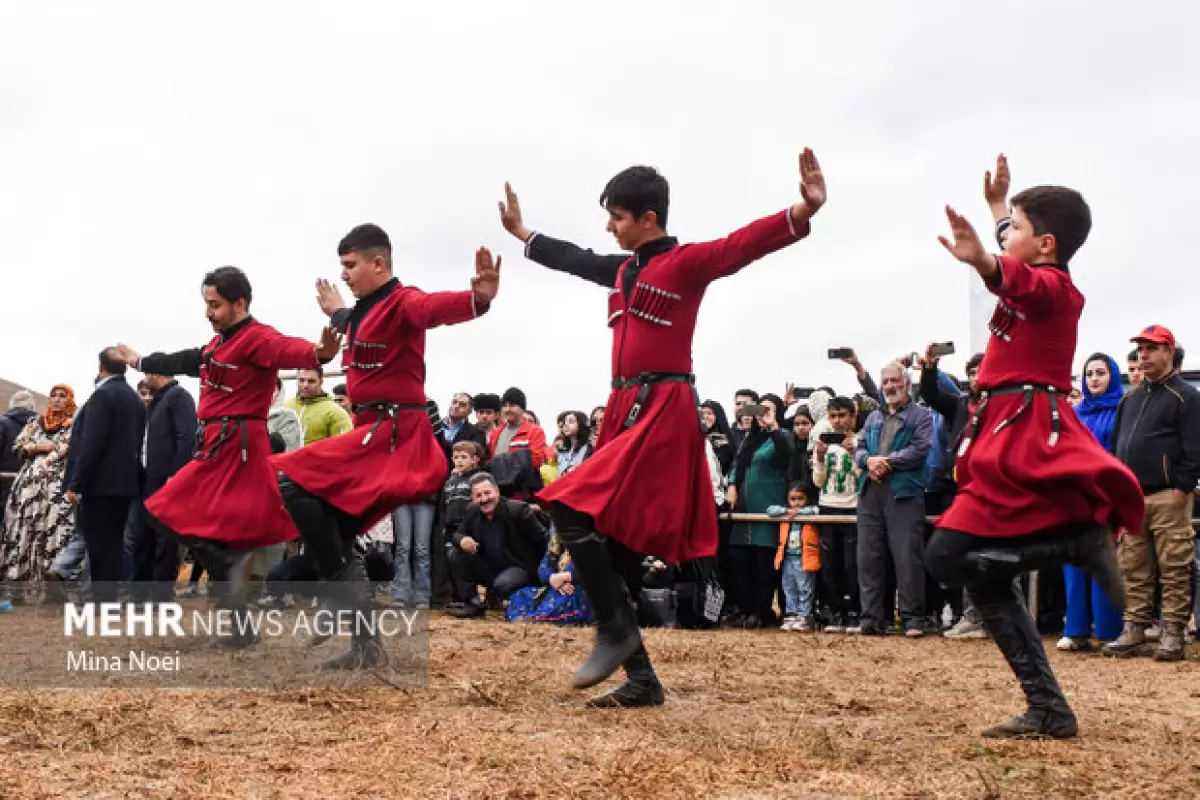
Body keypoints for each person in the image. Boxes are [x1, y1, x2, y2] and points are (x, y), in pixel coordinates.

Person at [499, 148, 825, 706]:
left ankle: (615, 635)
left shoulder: (687, 262)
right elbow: (577, 258)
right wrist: (524, 234)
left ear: (648, 217)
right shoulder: (624, 269)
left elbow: (739, 246)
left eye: (617, 217)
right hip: (624, 412)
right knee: (618, 549)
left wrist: (802, 211)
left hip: (665, 406)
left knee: (572, 506)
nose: (609, 227)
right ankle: (643, 680)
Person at [925, 154, 1143, 739]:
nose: (1005, 233)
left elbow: (1014, 276)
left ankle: (1075, 543)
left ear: (1044, 244)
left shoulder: (1054, 290)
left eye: (1016, 227)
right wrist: (1000, 206)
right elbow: (1011, 254)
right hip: (999, 427)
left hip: (1024, 431)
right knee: (977, 574)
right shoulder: (1036, 267)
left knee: (947, 557)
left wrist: (986, 263)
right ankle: (1048, 706)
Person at [271, 224, 498, 668]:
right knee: (329, 520)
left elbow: (433, 308)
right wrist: (337, 314)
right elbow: (353, 322)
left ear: (379, 263)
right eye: (343, 267)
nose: (346, 275)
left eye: (351, 266)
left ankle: (340, 584)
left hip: (397, 436)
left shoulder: (402, 301)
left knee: (293, 480)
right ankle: (364, 642)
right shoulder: (362, 312)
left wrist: (478, 299)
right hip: (372, 433)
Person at [114, 266, 340, 636]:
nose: (208, 313)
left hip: (239, 442)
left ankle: (231, 580)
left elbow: (288, 348)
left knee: (173, 513)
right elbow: (182, 360)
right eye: (207, 304)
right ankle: (237, 616)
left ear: (239, 303)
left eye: (215, 305)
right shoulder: (217, 346)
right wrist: (141, 361)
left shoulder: (256, 338)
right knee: (178, 517)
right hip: (216, 442)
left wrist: (320, 353)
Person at [1105, 326, 1200, 661]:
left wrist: (1183, 487)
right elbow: (1117, 445)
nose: (1143, 354)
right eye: (1140, 348)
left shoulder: (1187, 396)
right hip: (1133, 497)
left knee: (1174, 566)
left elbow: (1195, 447)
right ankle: (1134, 627)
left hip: (1168, 496)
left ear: (1168, 352)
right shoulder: (1130, 397)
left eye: (1151, 348)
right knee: (1133, 566)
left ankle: (1172, 632)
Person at [853, 363, 933, 637]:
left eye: (894, 381)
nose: (889, 386)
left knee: (907, 557)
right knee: (868, 558)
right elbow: (859, 449)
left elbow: (921, 449)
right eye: (885, 381)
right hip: (870, 492)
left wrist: (887, 462)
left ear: (906, 383)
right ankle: (872, 619)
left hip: (904, 492)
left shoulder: (921, 415)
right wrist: (868, 461)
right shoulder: (872, 417)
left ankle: (913, 619)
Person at [63, 350, 145, 599]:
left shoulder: (103, 395)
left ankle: (96, 600)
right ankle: (107, 598)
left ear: (101, 367)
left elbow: (91, 444)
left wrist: (76, 482)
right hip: (125, 483)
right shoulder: (134, 398)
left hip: (100, 484)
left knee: (97, 544)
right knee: (114, 544)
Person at [1057, 353, 1125, 651]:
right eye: (1089, 374)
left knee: (1104, 562)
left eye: (1100, 373)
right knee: (1073, 564)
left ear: (1112, 375)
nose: (1094, 379)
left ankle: (1109, 631)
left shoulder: (1122, 410)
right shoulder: (1074, 413)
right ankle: (1076, 630)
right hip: (1074, 498)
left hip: (1106, 497)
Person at [1, 385, 77, 599]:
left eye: (62, 396)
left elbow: (65, 447)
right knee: (25, 528)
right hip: (28, 485)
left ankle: (51, 584)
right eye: (54, 395)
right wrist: (39, 447)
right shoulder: (36, 422)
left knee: (53, 530)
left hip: (57, 484)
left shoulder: (73, 424)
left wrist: (41, 448)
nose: (57, 399)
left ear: (69, 399)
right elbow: (18, 446)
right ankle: (20, 582)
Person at [726, 395, 793, 628]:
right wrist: (732, 485)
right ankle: (745, 610)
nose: (762, 414)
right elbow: (737, 464)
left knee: (764, 563)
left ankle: (761, 611)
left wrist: (773, 426)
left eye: (768, 409)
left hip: (767, 508)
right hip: (743, 511)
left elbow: (787, 456)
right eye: (759, 410)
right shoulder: (749, 440)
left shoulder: (783, 436)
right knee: (739, 560)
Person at [132, 373, 197, 601]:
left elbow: (187, 437)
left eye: (148, 372)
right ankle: (140, 595)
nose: (145, 377)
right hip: (148, 479)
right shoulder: (157, 402)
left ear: (158, 373)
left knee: (165, 539)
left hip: (168, 480)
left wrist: (176, 475)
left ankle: (160, 596)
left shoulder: (179, 397)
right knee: (144, 537)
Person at [446, 473, 546, 617]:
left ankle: (512, 598)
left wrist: (546, 575)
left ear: (497, 491)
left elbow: (543, 541)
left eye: (487, 493)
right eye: (478, 495)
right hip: (489, 568)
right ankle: (473, 603)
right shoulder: (472, 511)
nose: (484, 499)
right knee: (455, 554)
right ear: (473, 498)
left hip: (520, 567)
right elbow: (456, 534)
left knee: (502, 585)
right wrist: (462, 540)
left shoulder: (518, 511)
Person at [812, 396, 861, 632]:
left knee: (852, 565)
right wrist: (820, 458)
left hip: (853, 507)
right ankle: (835, 612)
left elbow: (864, 477)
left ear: (853, 417)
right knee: (830, 565)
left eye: (842, 415)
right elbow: (818, 481)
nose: (837, 421)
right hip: (827, 506)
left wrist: (855, 454)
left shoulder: (862, 441)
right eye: (833, 416)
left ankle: (854, 612)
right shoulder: (822, 442)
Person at [505, 531, 593, 625]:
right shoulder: (558, 538)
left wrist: (568, 576)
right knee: (520, 595)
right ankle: (531, 617)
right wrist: (552, 578)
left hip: (580, 589)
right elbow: (543, 568)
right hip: (556, 586)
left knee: (564, 602)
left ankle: (537, 619)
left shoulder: (593, 536)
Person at [769, 483, 821, 631]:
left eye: (800, 499)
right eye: (792, 499)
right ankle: (791, 615)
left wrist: (798, 513)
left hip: (804, 558)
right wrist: (787, 510)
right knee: (788, 588)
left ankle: (804, 616)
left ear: (807, 499)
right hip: (787, 558)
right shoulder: (786, 513)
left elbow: (816, 510)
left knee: (805, 588)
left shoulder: (810, 512)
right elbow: (770, 510)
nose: (796, 503)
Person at [286, 366, 353, 446]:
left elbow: (344, 447)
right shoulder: (286, 406)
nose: (305, 385)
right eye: (301, 380)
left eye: (311, 381)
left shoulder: (335, 412)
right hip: (286, 458)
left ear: (321, 382)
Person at [0, 391, 39, 523]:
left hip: (3, 483)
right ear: (32, 407)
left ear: (11, 405)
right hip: (30, 486)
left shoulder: (2, 423)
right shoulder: (39, 427)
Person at [554, 411, 592, 478]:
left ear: (580, 424)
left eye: (571, 422)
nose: (565, 425)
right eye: (564, 422)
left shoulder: (588, 448)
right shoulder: (562, 452)